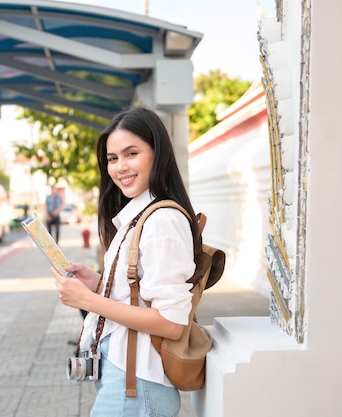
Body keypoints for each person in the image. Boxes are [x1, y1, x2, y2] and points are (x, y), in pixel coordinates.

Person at [52, 107, 200, 416]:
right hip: (124, 372)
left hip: (137, 384)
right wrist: (97, 283)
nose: (121, 167)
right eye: (113, 158)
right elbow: (141, 291)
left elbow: (172, 323)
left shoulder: (162, 221)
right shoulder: (139, 214)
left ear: (157, 154)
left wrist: (89, 302)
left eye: (131, 153)